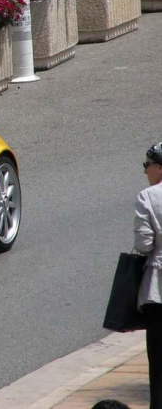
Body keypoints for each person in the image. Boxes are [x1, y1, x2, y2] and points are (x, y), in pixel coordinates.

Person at [135, 142, 162, 409]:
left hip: (159, 291)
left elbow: (144, 245)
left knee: (159, 367)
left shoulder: (148, 197)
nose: (145, 171)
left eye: (147, 166)